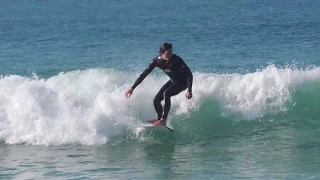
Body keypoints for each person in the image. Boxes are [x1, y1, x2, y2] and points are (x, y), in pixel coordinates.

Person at [125, 43, 193, 126]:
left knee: (166, 93)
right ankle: (159, 119)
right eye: (168, 53)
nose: (170, 55)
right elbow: (144, 74)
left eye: (171, 52)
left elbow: (189, 74)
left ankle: (163, 120)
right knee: (156, 100)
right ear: (162, 53)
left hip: (183, 82)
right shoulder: (157, 61)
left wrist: (189, 90)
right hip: (173, 81)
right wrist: (132, 88)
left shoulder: (177, 60)